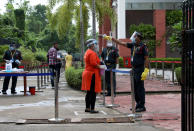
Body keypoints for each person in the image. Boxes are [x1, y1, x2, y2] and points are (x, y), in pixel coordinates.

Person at [103, 32, 149, 112]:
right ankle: (137, 104)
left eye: (135, 37)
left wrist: (146, 70)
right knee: (134, 88)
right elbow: (120, 43)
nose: (134, 38)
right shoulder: (133, 45)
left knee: (140, 88)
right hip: (134, 69)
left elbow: (146, 58)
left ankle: (142, 106)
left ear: (139, 38)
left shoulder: (143, 47)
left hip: (140, 69)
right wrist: (111, 38)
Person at [81, 39, 101, 113]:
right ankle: (92, 108)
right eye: (95, 44)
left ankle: (87, 108)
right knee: (93, 92)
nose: (96, 46)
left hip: (87, 73)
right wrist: (101, 67)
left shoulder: (87, 52)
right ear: (92, 45)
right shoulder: (92, 53)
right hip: (92, 74)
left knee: (89, 92)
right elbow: (93, 63)